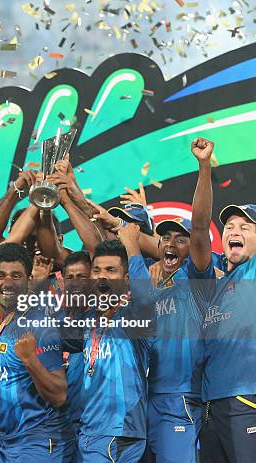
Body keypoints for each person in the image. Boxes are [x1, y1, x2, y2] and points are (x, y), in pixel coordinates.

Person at [186, 137, 256, 463]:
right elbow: (199, 228)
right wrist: (204, 167)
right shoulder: (207, 280)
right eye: (229, 226)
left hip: (247, 400)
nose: (234, 231)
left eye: (245, 226)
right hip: (209, 407)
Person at [0, 242, 75, 462]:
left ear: (29, 281)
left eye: (16, 276)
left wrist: (31, 360)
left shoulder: (39, 325)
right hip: (6, 442)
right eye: (0, 275)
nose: (7, 283)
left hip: (41, 440)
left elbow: (59, 395)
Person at [66, 228, 156, 463]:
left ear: (127, 280)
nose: (102, 277)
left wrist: (132, 246)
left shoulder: (133, 317)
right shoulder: (88, 319)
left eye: (110, 270)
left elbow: (145, 298)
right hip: (89, 431)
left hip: (118, 432)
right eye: (96, 270)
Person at [142, 218, 203, 463]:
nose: (171, 243)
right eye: (166, 238)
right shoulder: (153, 286)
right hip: (150, 396)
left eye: (181, 239)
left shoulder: (196, 279)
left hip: (180, 397)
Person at [59, 251, 92, 437]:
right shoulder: (60, 318)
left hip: (90, 424)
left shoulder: (100, 319)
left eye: (82, 277)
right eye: (69, 277)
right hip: (63, 424)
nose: (74, 283)